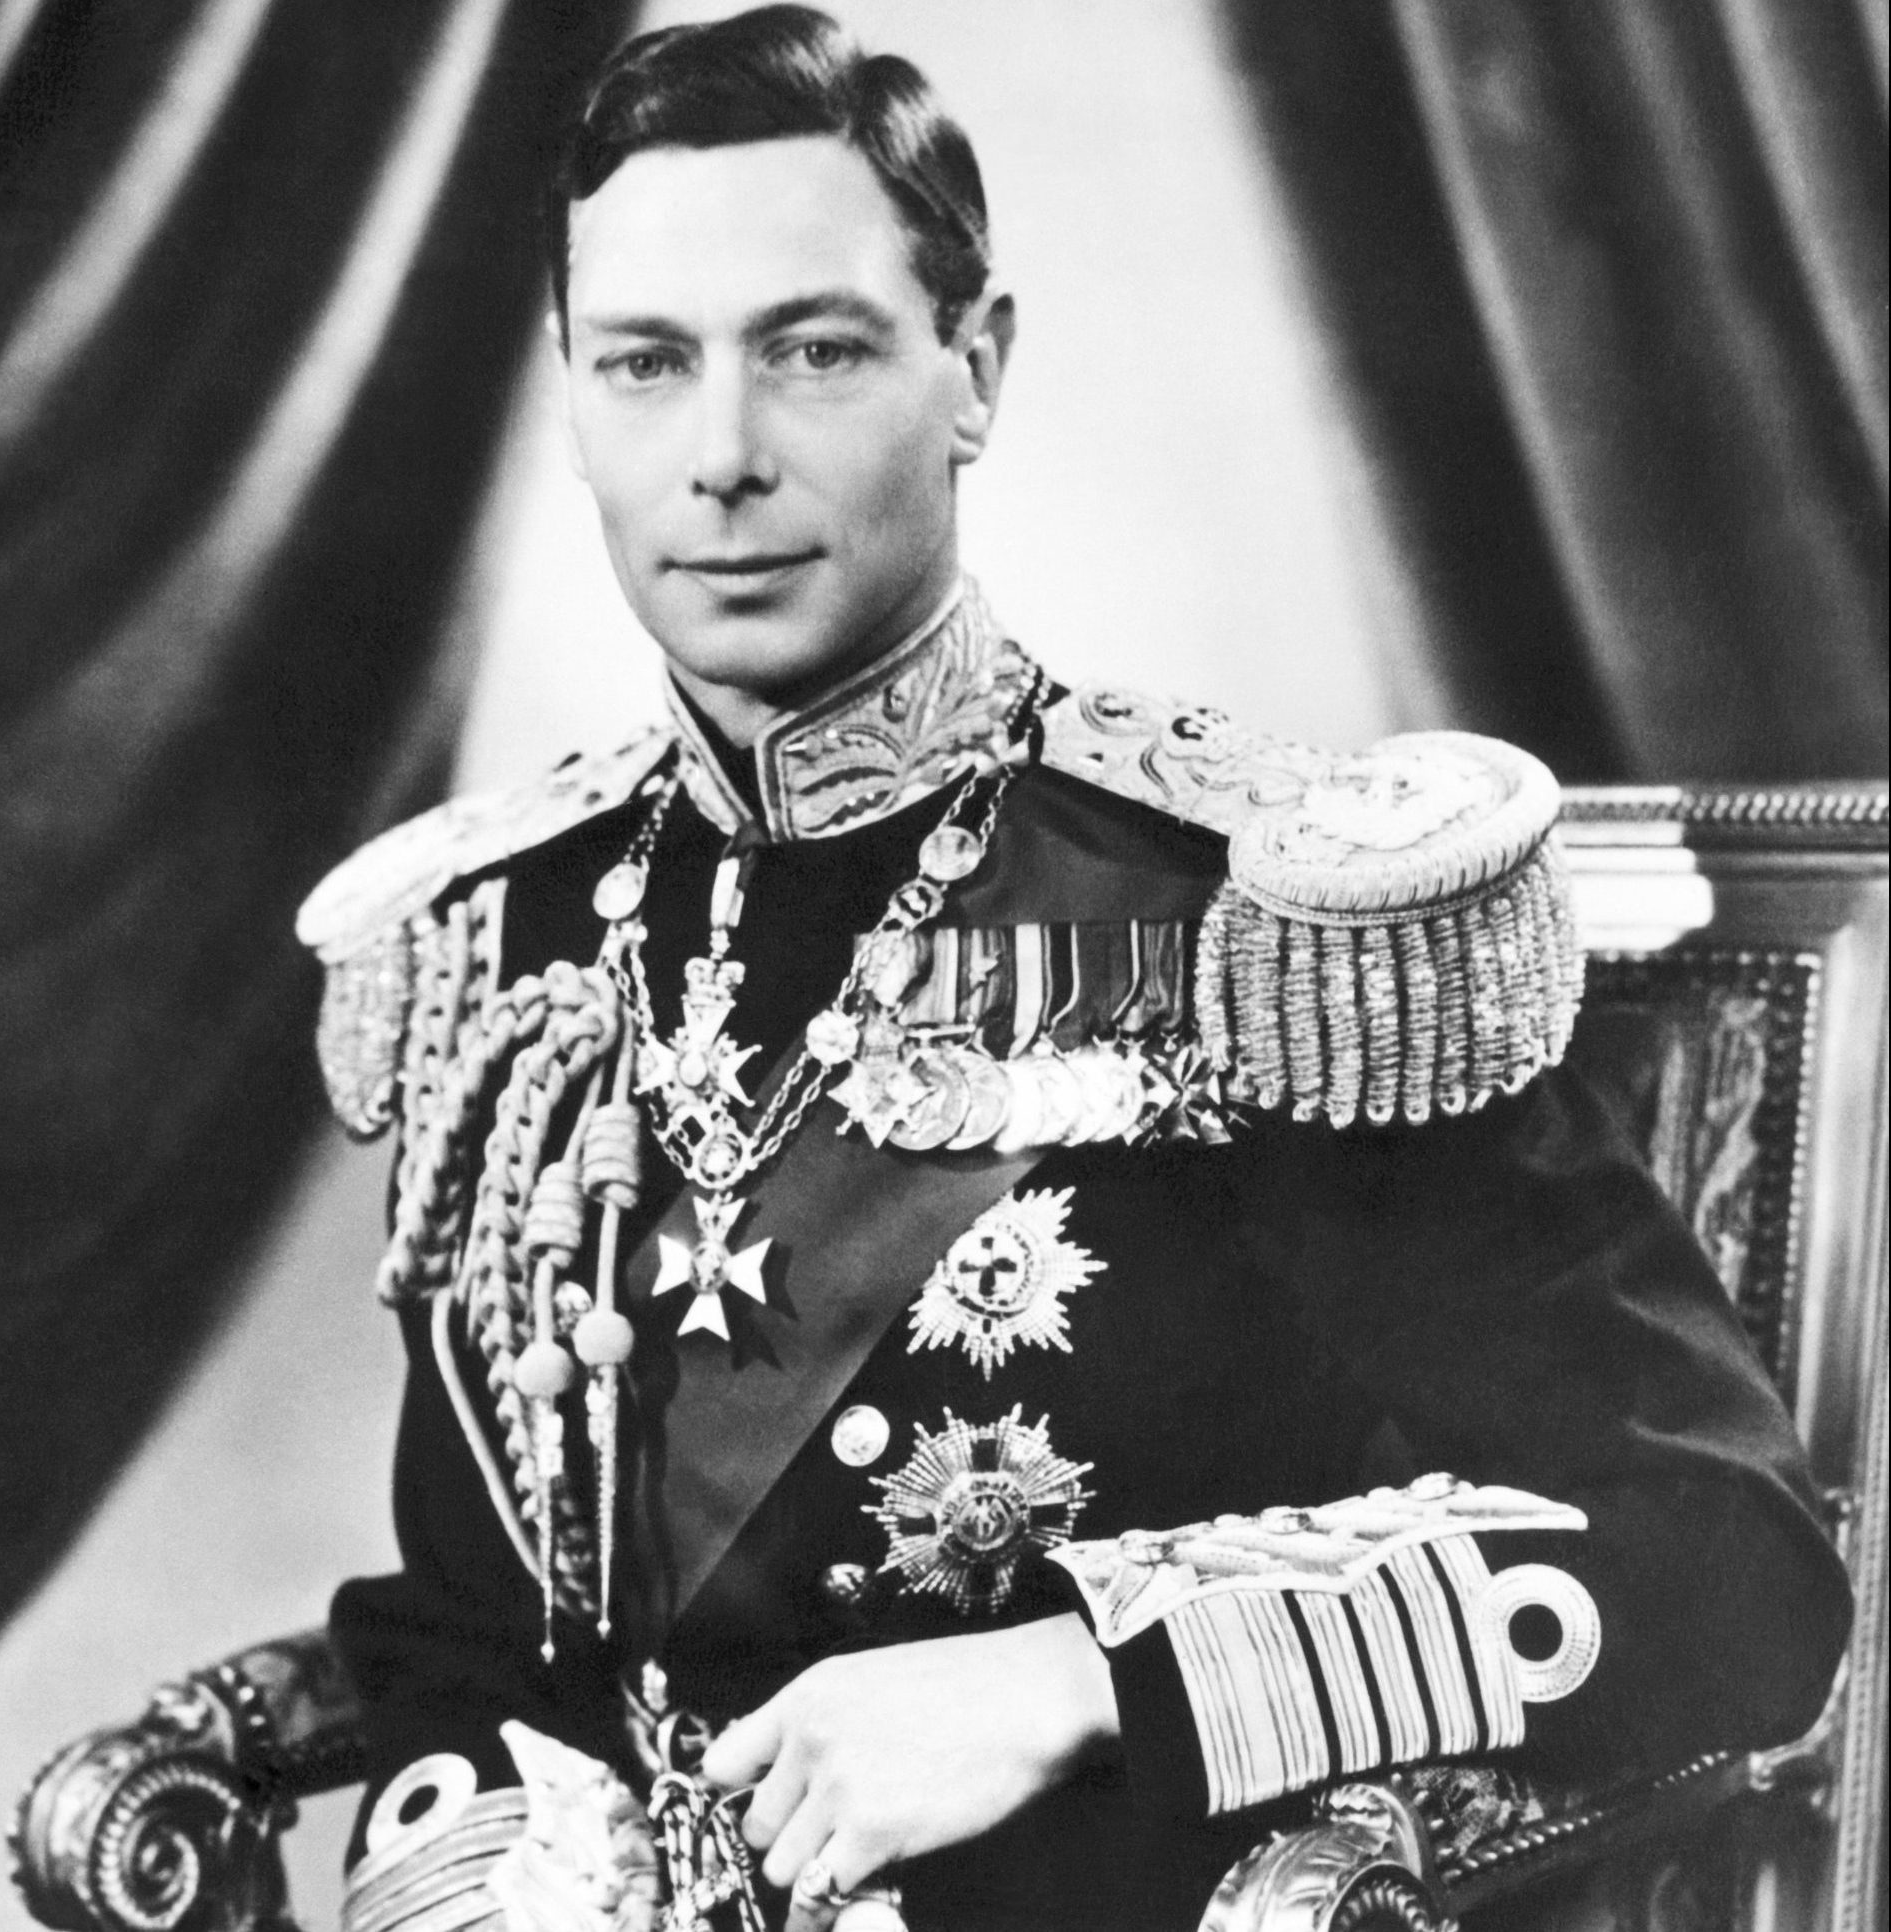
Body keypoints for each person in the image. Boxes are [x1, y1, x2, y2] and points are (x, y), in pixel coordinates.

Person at [299, 11, 1851, 1929]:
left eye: (815, 350)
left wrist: (1081, 1678)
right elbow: (469, 1627)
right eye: (645, 364)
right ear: (572, 392)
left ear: (978, 372)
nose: (719, 457)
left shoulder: (1271, 926)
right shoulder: (497, 937)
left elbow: (1730, 1564)